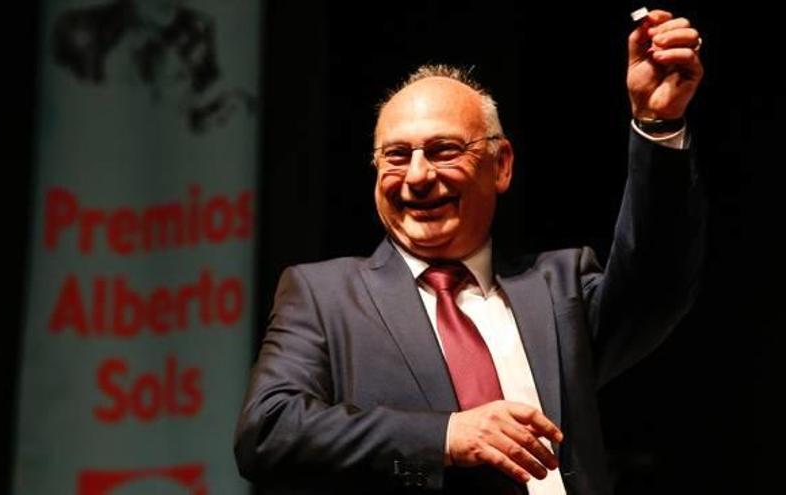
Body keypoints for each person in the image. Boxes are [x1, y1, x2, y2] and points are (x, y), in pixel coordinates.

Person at [235, 9, 705, 495]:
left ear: (500, 166)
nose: (416, 176)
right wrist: (444, 435)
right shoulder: (325, 295)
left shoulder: (556, 288)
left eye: (442, 151)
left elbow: (660, 284)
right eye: (396, 156)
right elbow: (267, 430)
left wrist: (656, 123)